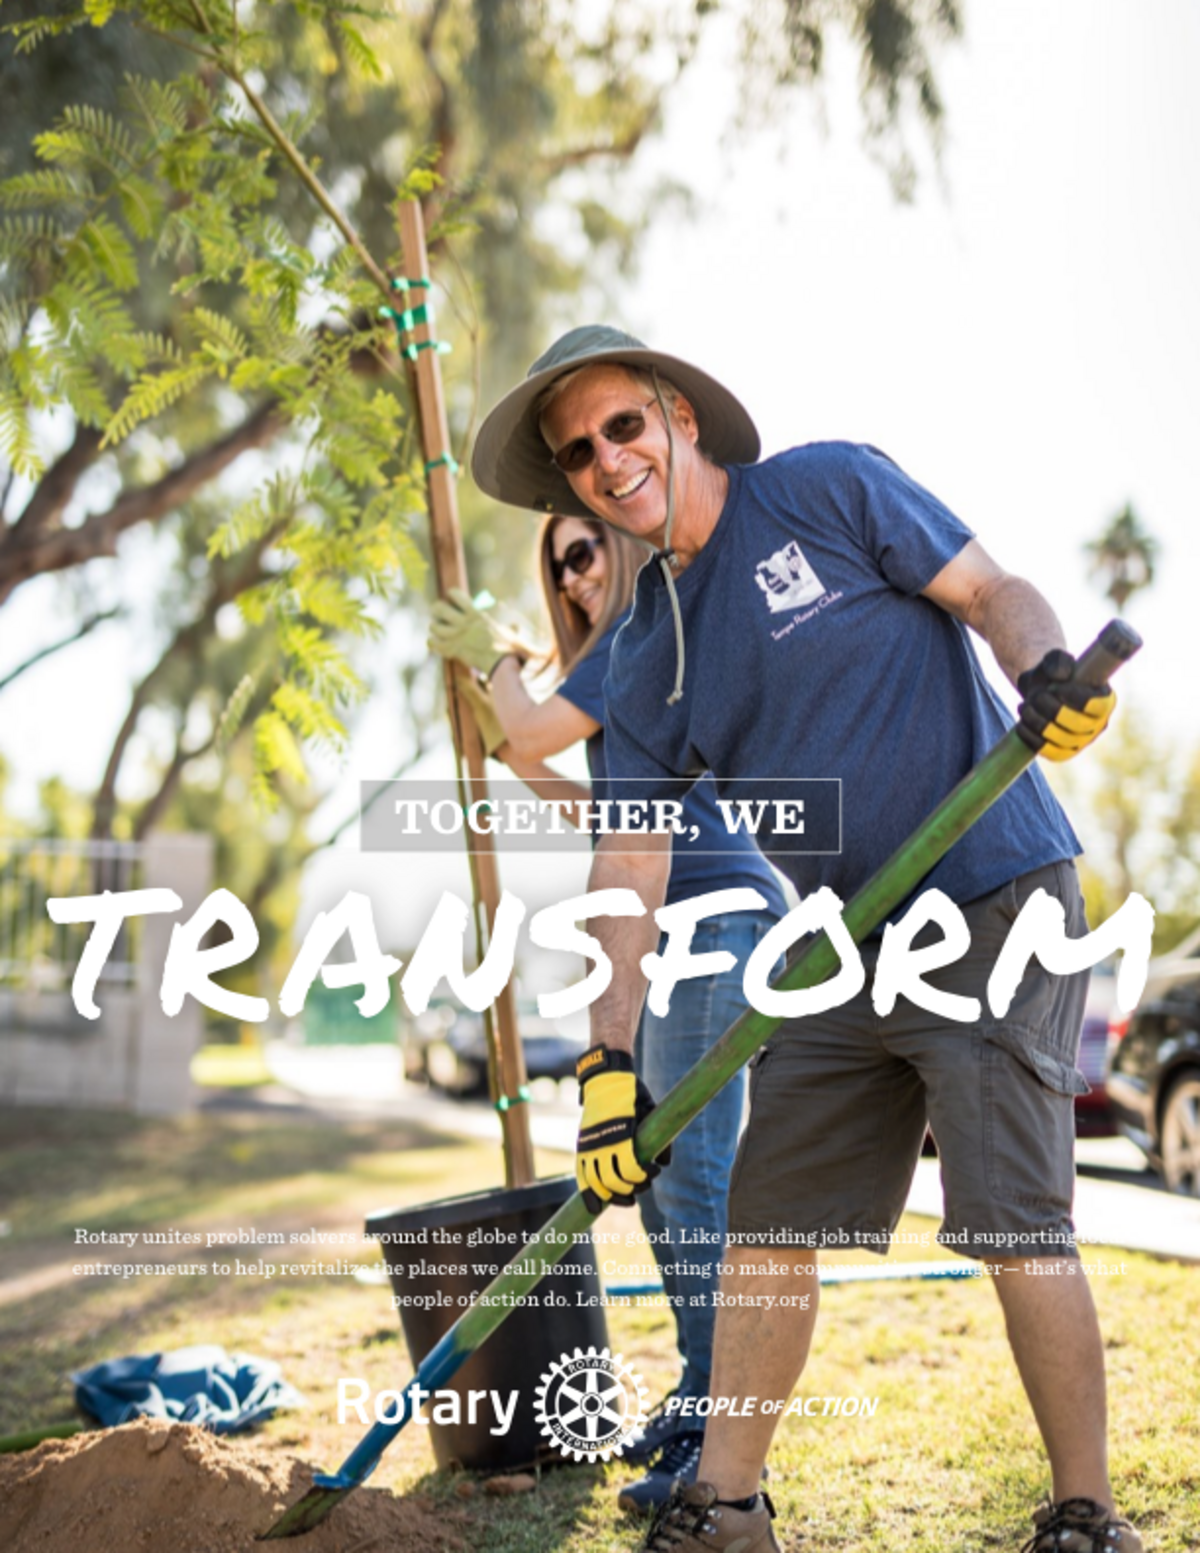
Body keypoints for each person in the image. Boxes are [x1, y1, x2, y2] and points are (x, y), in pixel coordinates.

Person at [468, 325, 1139, 1553]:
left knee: (1012, 1220)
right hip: (851, 934)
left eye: (622, 424)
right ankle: (727, 1505)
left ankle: (1086, 1512)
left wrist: (1046, 666)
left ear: (677, 413)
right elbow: (629, 863)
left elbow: (993, 589)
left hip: (991, 885)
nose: (607, 461)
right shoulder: (645, 652)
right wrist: (605, 1062)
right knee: (767, 1220)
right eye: (578, 451)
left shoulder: (825, 487)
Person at [426, 510, 786, 1512]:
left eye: (584, 552)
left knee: (694, 1173)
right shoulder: (619, 680)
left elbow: (537, 725)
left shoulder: (648, 637)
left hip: (719, 918)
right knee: (668, 1179)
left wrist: (498, 658)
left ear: (622, 548)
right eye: (558, 568)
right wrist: (502, 734)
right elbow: (591, 805)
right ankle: (699, 1391)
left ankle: (722, 1428)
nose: (576, 577)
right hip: (664, 928)